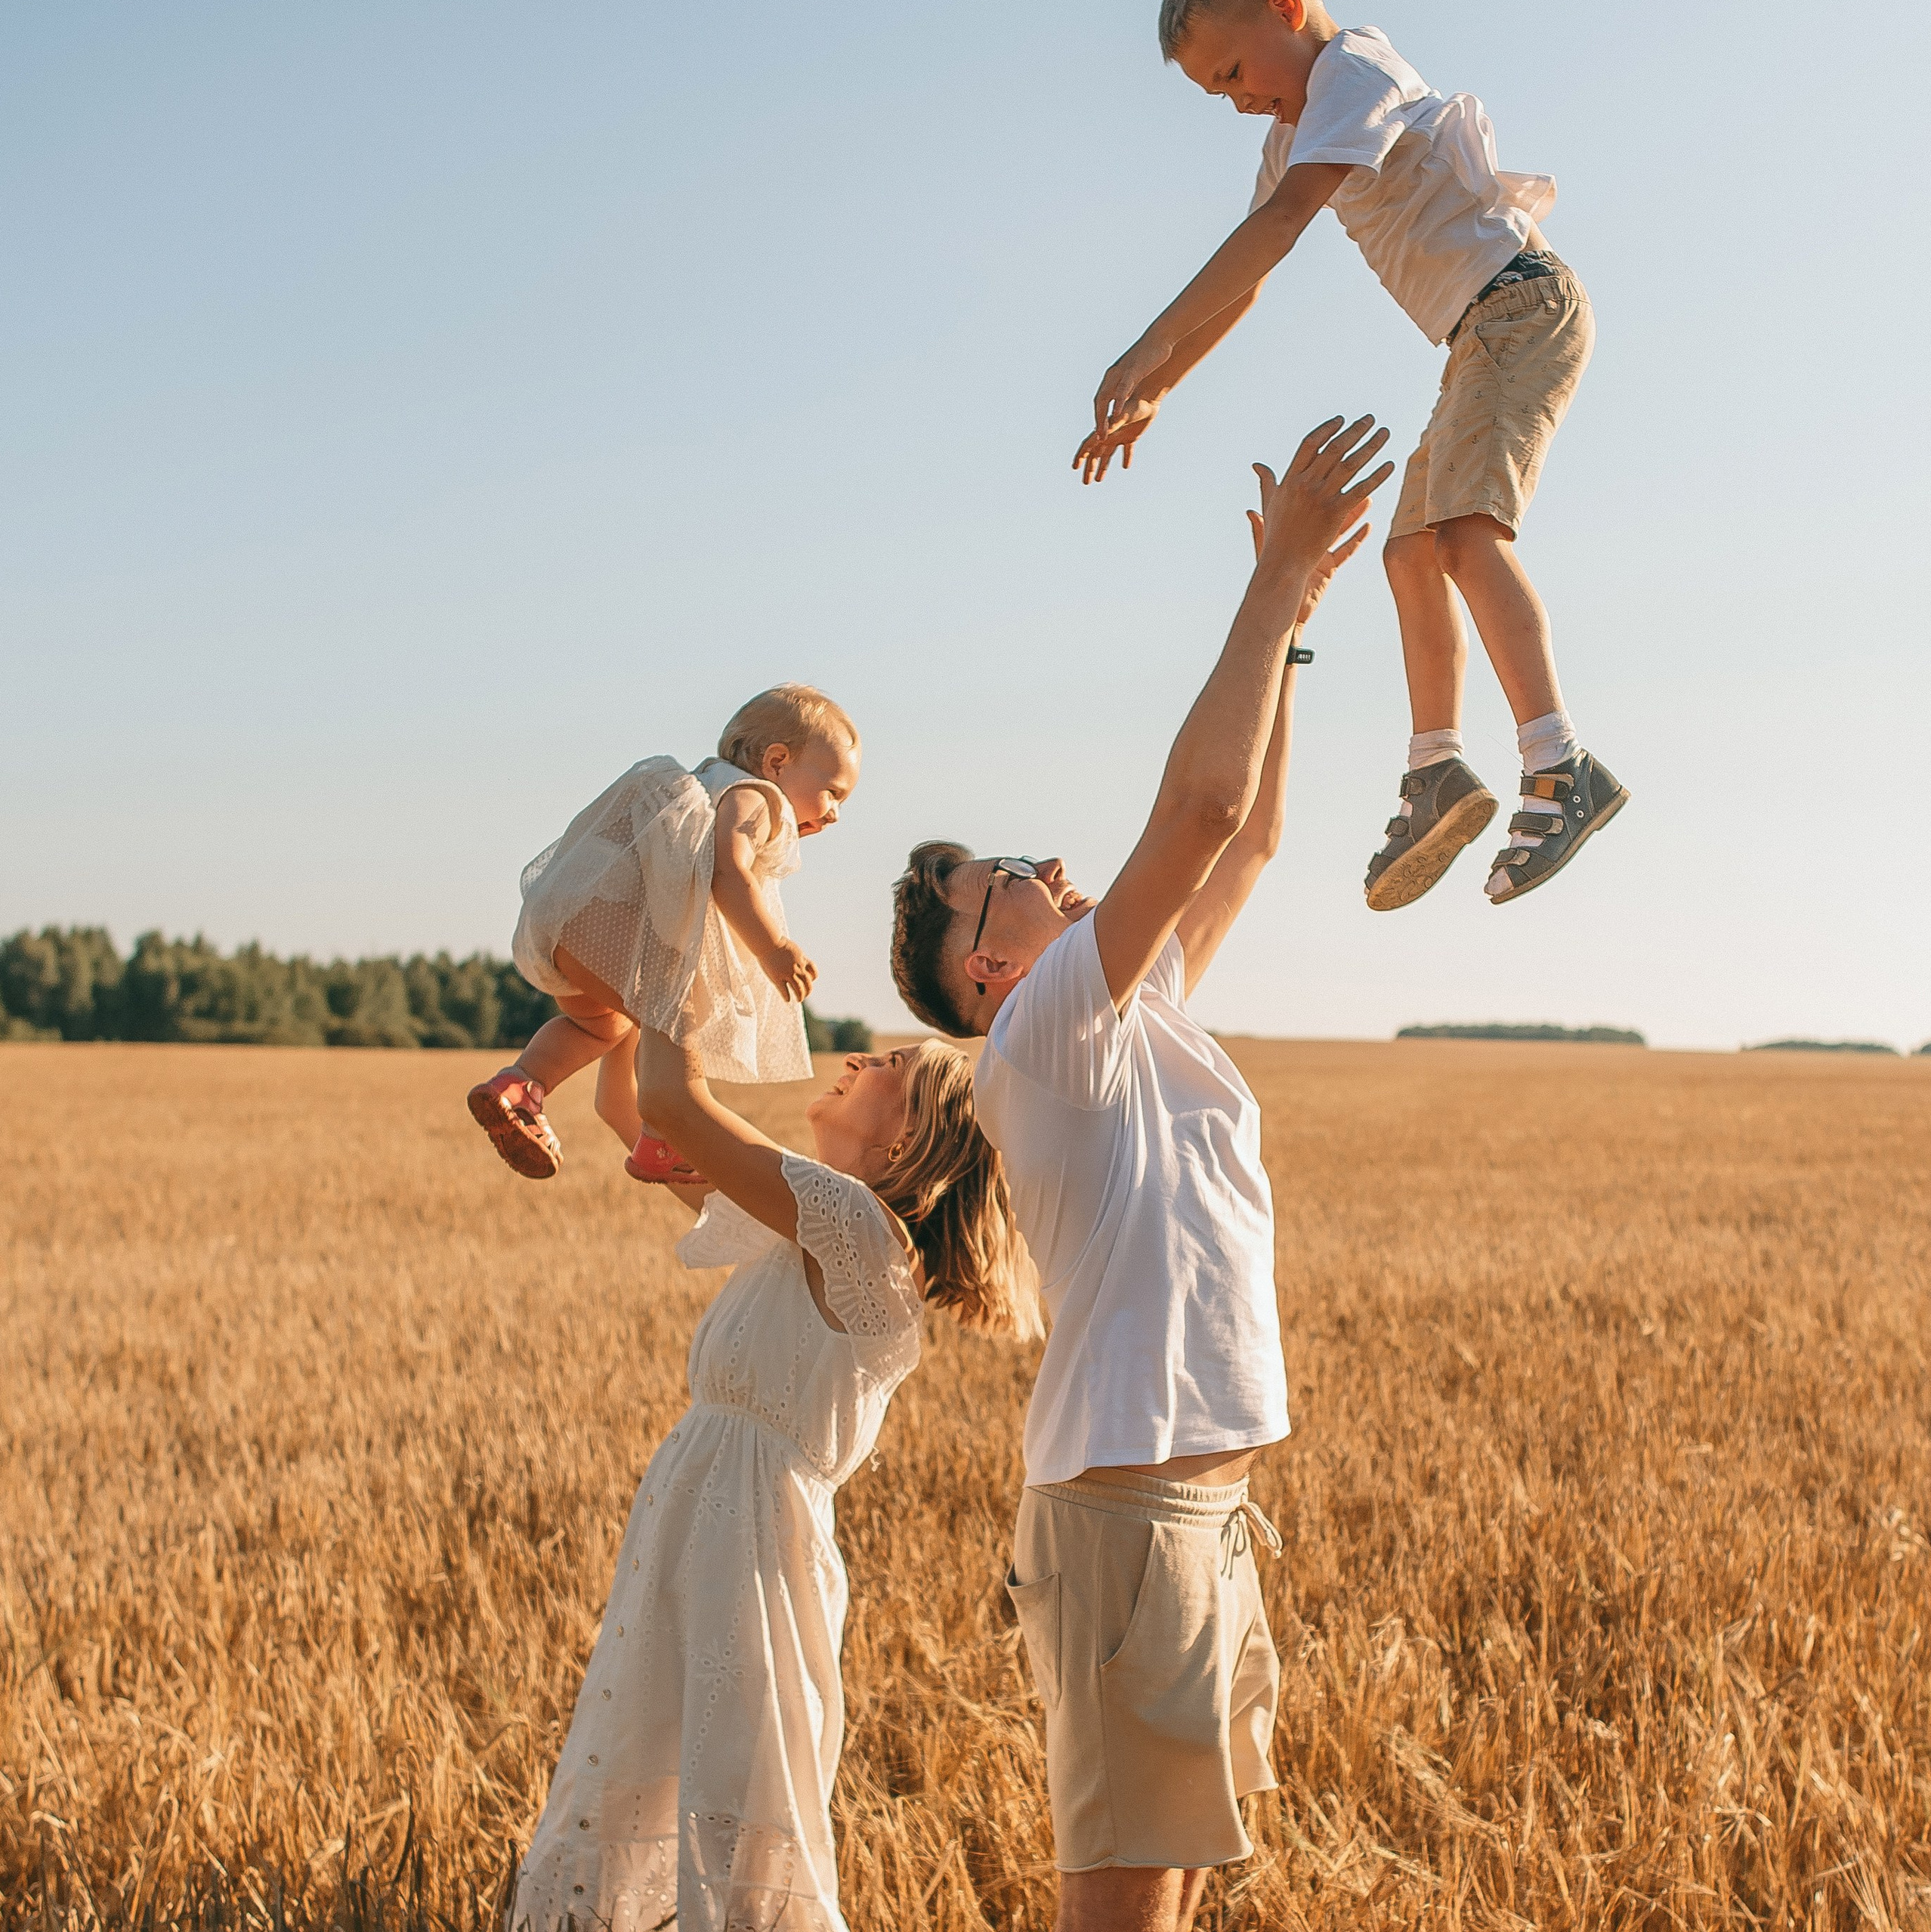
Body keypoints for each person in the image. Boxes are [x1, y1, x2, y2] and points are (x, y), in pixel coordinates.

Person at [888, 419, 1389, 1932]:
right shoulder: (1039, 1034)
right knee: (1117, 1913)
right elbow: (1198, 814)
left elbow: (1250, 842)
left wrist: (1288, 630)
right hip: (1126, 1514)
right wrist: (1274, 582)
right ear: (987, 967)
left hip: (1197, 1506)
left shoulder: (1131, 1007)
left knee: (1163, 1900)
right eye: (1014, 880)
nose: (1048, 867)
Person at [1076, 0, 1628, 911]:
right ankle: (1437, 771)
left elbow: (1286, 222)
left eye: (1232, 74)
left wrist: (1146, 343)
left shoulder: (1351, 73)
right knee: (1411, 552)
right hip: (1478, 339)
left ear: (1288, 11)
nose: (1237, 101)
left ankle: (1560, 764)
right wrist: (1164, 385)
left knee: (1464, 536)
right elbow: (1250, 281)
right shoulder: (1300, 120)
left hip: (1520, 311)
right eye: (1217, 91)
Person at [511, 1028, 1036, 1932]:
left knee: (738, 1796)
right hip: (697, 1522)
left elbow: (676, 1106)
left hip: (755, 1549)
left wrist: (672, 943)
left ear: (909, 1141)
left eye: (890, 1067)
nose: (860, 1059)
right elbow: (628, 1110)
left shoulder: (860, 1231)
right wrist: (622, 1010)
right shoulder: (796, 1221)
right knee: (656, 1757)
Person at [467, 685, 859, 1185]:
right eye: (834, 792)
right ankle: (663, 1139)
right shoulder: (759, 798)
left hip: (567, 921)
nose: (835, 813)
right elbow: (730, 871)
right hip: (613, 935)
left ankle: (520, 1085)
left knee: (602, 1026)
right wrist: (773, 948)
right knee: (681, 1019)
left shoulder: (705, 781)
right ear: (778, 762)